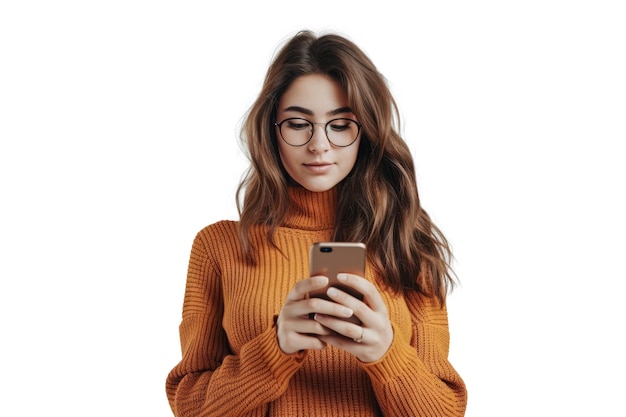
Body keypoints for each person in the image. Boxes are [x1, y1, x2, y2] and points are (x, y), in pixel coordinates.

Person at [165, 30, 467, 417]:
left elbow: (445, 412)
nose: (319, 145)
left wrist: (386, 355)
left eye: (340, 125)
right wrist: (275, 349)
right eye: (297, 123)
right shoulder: (218, 245)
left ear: (366, 134)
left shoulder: (405, 236)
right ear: (271, 130)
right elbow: (189, 406)